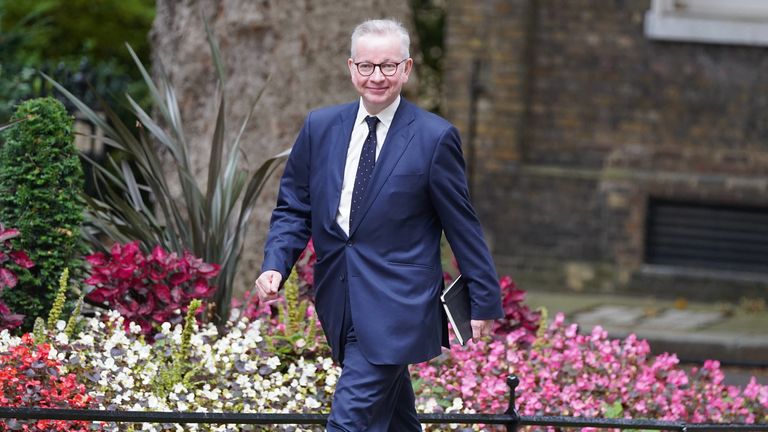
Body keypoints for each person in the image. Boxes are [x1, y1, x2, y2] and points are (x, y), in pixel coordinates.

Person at [254, 18, 503, 432]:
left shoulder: (434, 137)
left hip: (399, 305)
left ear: (406, 69)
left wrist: (483, 296)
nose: (377, 77)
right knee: (396, 420)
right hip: (340, 296)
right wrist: (275, 264)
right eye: (367, 66)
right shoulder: (320, 127)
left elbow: (462, 224)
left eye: (388, 66)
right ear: (351, 68)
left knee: (348, 421)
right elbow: (295, 207)